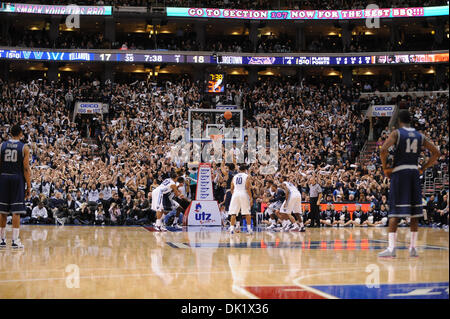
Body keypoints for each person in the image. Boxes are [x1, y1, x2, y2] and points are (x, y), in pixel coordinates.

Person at [379, 110, 441, 258]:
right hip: (414, 172)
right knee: (414, 213)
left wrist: (385, 168)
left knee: (394, 211)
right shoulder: (420, 136)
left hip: (400, 173)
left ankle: (391, 248)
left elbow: (383, 150)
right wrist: (423, 168)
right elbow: (436, 152)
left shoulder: (397, 133)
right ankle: (413, 248)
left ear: (399, 121)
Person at [0, 125, 31, 249]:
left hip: (3, 177)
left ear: (10, 133)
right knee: (16, 211)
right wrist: (28, 186)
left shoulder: (2, 145)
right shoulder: (24, 147)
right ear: (21, 134)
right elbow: (26, 168)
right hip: (17, 178)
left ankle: (1, 240)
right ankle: (15, 240)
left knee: (2, 211)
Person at [228, 164, 253, 234]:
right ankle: (249, 229)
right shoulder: (247, 176)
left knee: (233, 213)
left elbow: (231, 188)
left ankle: (232, 229)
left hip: (235, 194)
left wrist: (234, 194)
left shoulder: (234, 177)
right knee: (247, 213)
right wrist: (251, 198)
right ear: (245, 170)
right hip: (243, 193)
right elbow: (247, 188)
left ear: (239, 170)